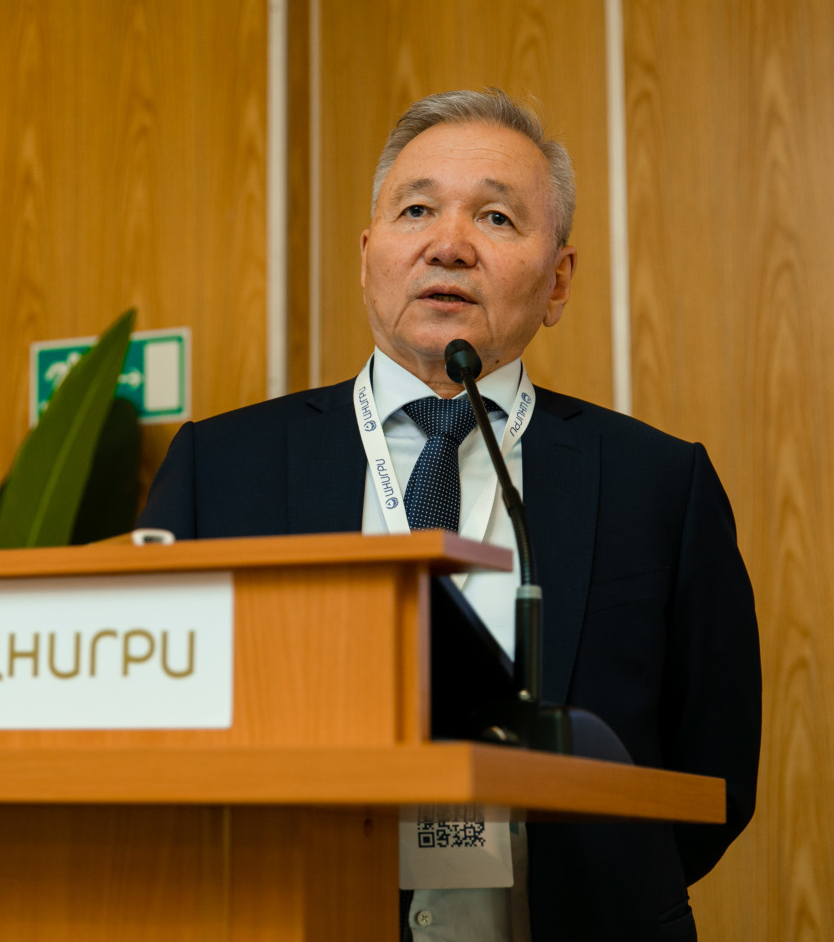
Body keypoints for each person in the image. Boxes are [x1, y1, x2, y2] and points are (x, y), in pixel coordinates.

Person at [137, 89, 761, 942]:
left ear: (558, 281)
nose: (449, 244)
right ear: (369, 256)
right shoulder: (220, 468)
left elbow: (714, 768)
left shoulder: (659, 483)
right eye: (417, 210)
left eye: (496, 218)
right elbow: (160, 731)